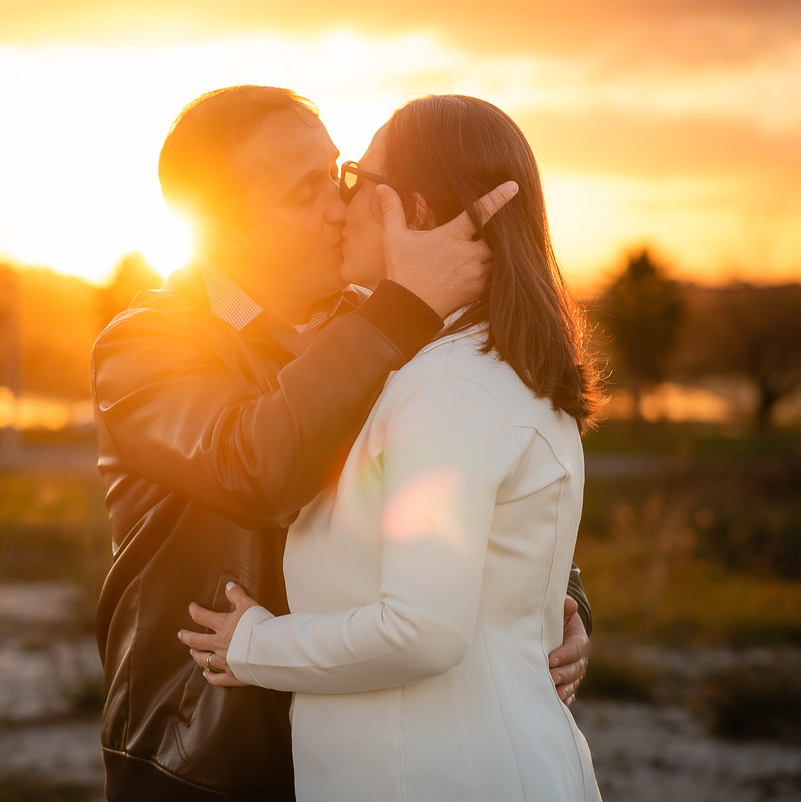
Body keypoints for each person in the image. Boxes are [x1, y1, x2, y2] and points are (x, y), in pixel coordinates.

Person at [91, 85, 591, 801]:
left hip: (364, 746)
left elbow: (466, 475)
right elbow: (258, 471)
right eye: (306, 192)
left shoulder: (383, 324)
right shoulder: (145, 348)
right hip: (206, 752)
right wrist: (401, 311)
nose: (342, 203)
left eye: (339, 174)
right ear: (222, 227)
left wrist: (556, 599)